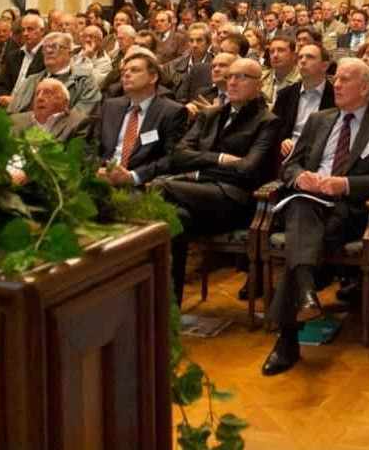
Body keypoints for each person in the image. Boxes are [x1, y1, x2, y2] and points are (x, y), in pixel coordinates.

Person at [261, 58, 369, 376]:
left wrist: (345, 184)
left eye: (344, 80)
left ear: (365, 88)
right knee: (300, 206)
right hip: (308, 199)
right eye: (335, 79)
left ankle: (292, 326)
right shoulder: (318, 119)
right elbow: (290, 165)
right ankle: (306, 295)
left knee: (304, 232)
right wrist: (300, 178)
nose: (335, 85)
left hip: (349, 208)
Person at [163, 57, 281, 303]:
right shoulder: (211, 115)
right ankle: (170, 307)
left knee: (160, 187)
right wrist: (219, 159)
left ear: (258, 85)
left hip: (236, 200)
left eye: (241, 77)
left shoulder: (267, 122)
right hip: (198, 197)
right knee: (174, 219)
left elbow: (248, 169)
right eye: (229, 77)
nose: (233, 82)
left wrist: (199, 170)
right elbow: (178, 156)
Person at [91, 50, 188, 188]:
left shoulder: (172, 112)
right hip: (102, 177)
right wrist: (97, 169)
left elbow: (171, 157)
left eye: (134, 70)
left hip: (140, 183)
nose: (126, 74)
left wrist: (133, 177)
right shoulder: (110, 106)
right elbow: (93, 145)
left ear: (153, 77)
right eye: (124, 71)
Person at [9, 32, 101, 115]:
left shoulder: (85, 82)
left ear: (70, 53)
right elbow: (12, 112)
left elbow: (79, 118)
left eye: (55, 47)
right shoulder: (31, 81)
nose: (49, 51)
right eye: (45, 48)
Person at [272, 43, 336, 158]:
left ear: (325, 66)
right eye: (300, 57)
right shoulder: (285, 94)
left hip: (319, 157)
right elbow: (273, 129)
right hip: (287, 155)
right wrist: (282, 141)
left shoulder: (336, 96)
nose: (303, 61)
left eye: (310, 57)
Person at [10, 78, 92, 142]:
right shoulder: (15, 120)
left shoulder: (79, 123)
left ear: (65, 102)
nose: (40, 98)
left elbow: (76, 160)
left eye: (48, 93)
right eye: (37, 93)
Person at [0, 14, 46, 103]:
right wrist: (3, 96)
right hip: (6, 105)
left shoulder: (46, 56)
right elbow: (1, 84)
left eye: (30, 29)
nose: (25, 33)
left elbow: (41, 92)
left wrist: (15, 101)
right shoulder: (14, 56)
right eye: (23, 30)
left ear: (42, 31)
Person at [261, 34, 301, 108]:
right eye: (272, 51)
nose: (275, 55)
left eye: (281, 50)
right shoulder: (260, 77)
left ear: (294, 55)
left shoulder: (302, 80)